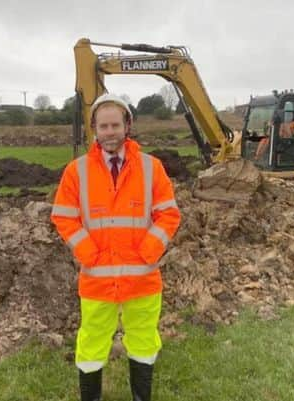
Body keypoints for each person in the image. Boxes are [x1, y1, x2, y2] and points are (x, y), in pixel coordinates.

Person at [51, 93, 181, 401]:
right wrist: (88, 253)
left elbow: (169, 214)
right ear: (94, 129)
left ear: (127, 126)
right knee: (92, 342)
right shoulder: (76, 171)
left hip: (143, 278)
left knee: (144, 341)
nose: (110, 132)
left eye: (115, 125)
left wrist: (148, 252)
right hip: (96, 278)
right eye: (103, 126)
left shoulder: (152, 168)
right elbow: (63, 216)